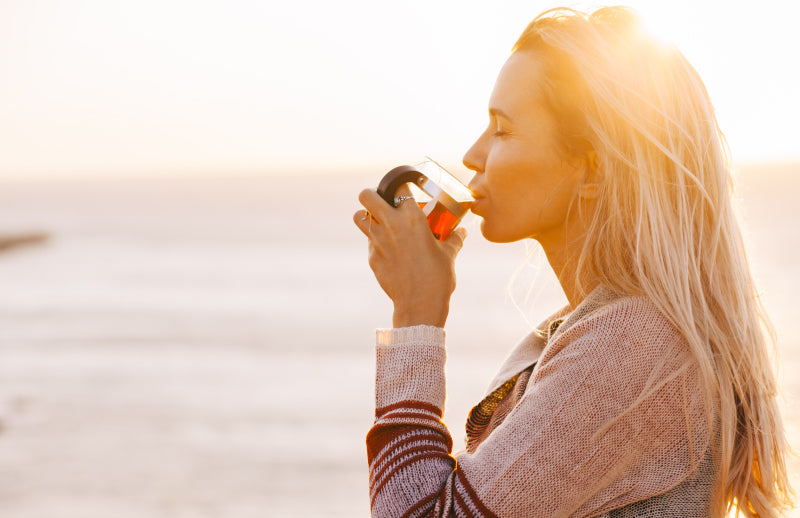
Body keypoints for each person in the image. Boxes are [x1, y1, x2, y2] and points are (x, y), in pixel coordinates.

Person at [353, 6, 792, 517]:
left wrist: (415, 315)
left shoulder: (633, 344)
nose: (473, 155)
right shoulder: (596, 330)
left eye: (503, 129)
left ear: (593, 168)